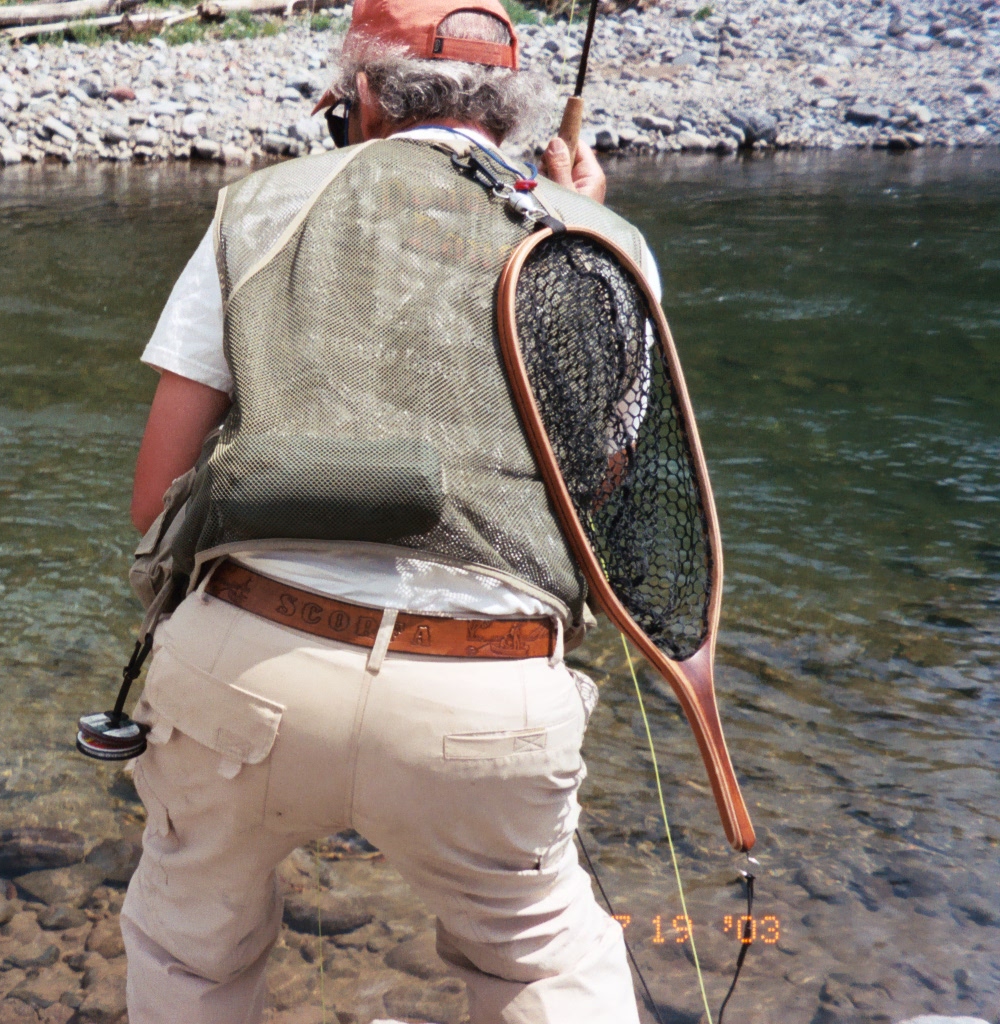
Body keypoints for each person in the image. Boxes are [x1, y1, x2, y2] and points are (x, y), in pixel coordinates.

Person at [119, 0, 661, 1019]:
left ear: (363, 94)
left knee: (191, 947)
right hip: (487, 687)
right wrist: (580, 218)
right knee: (540, 958)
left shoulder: (257, 207)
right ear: (511, 107)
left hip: (251, 668)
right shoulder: (605, 243)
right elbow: (599, 496)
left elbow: (157, 500)